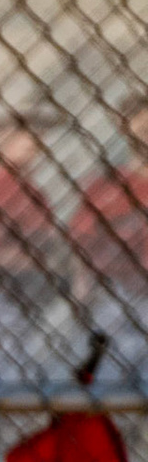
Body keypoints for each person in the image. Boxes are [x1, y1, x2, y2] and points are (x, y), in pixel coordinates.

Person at [0, 108, 70, 379]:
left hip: (26, 304)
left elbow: (50, 246)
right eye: (23, 130)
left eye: (39, 131)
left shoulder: (35, 192)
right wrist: (49, 264)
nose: (35, 138)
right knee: (3, 383)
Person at [70, 93, 148, 379]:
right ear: (122, 127)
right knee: (114, 387)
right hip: (119, 296)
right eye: (139, 124)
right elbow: (83, 246)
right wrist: (82, 291)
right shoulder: (106, 186)